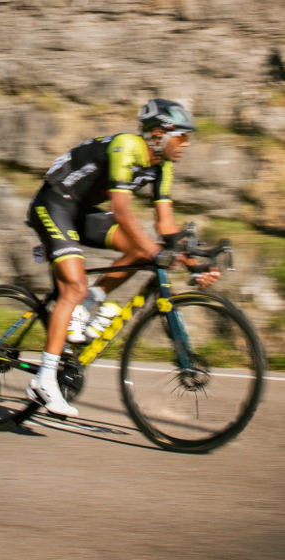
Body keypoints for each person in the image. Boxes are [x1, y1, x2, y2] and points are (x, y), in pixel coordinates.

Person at [26, 98, 221, 417]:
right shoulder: (126, 147)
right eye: (182, 136)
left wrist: (194, 263)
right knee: (74, 287)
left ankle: (92, 300)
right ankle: (44, 379)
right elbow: (122, 212)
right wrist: (157, 252)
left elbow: (166, 225)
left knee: (138, 248)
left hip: (81, 210)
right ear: (158, 134)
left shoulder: (163, 167)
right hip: (54, 202)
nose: (186, 144)